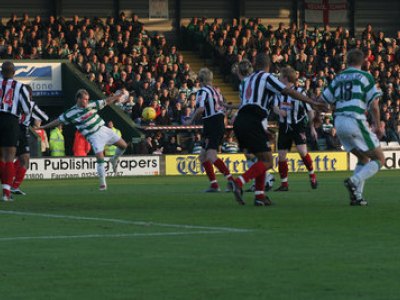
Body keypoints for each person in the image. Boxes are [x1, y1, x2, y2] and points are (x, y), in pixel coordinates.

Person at [228, 54, 323, 206]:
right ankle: (238, 182)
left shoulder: (246, 81)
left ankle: (260, 196)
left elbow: (247, 102)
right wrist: (312, 102)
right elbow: (288, 91)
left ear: (254, 63)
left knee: (262, 158)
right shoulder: (266, 77)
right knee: (268, 161)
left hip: (242, 120)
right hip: (253, 119)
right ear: (269, 66)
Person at [321, 48, 385, 206]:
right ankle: (354, 180)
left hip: (339, 122)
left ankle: (356, 196)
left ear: (347, 61)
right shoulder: (365, 76)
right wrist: (378, 125)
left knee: (363, 158)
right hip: (354, 120)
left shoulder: (339, 77)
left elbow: (323, 100)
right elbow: (374, 105)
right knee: (380, 159)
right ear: (363, 62)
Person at [40, 89, 127, 191]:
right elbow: (58, 121)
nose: (86, 101)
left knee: (123, 146)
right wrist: (44, 126)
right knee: (100, 159)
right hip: (93, 136)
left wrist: (116, 97)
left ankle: (114, 159)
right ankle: (103, 184)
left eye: (87, 99)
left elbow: (106, 101)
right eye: (85, 99)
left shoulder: (91, 104)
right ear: (78, 99)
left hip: (103, 130)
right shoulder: (71, 113)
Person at [272, 66, 318, 191]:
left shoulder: (300, 93)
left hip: (297, 126)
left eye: (280, 77)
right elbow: (274, 107)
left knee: (302, 151)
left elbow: (310, 111)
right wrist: (279, 111)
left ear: (286, 78)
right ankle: (284, 184)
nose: (279, 79)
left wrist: (312, 127)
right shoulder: (279, 92)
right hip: (284, 126)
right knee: (281, 155)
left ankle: (312, 175)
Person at [190, 67, 233, 192]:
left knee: (211, 155)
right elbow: (223, 106)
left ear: (200, 79)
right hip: (217, 122)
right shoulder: (216, 90)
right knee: (203, 157)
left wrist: (190, 119)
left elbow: (200, 109)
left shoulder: (202, 91)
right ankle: (214, 185)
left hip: (212, 123)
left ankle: (232, 181)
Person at [0, 61, 32, 201]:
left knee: (0, 157)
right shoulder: (19, 86)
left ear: (1, 71)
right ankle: (6, 193)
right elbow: (26, 108)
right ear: (14, 72)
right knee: (9, 156)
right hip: (11, 120)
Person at [11, 85, 49, 196]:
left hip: (10, 131)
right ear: (30, 95)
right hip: (21, 132)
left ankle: (13, 186)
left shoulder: (13, 103)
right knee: (24, 160)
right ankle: (13, 185)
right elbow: (44, 117)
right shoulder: (31, 104)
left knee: (14, 158)